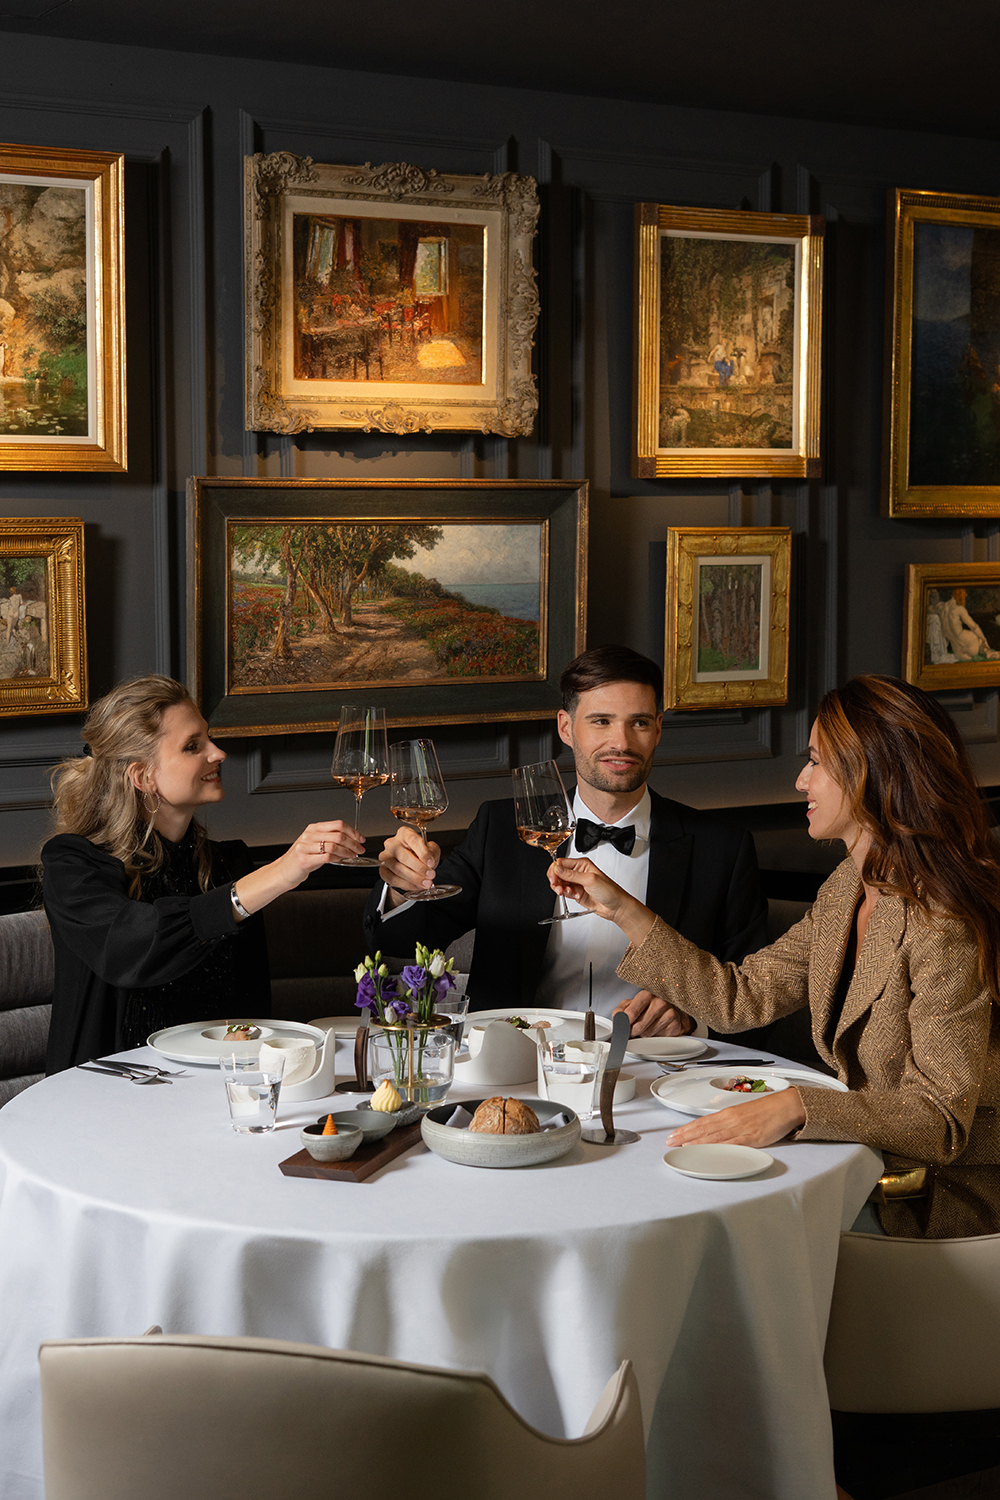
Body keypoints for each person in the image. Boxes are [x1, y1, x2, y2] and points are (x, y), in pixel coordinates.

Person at [547, 675, 1000, 1239]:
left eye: (817, 762)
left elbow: (938, 1116)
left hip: (932, 1196)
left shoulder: (943, 921)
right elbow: (742, 998)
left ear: (871, 774)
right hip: (865, 1163)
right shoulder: (848, 886)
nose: (801, 780)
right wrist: (623, 910)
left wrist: (795, 1106)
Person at [364, 646, 767, 1035]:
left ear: (658, 728)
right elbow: (401, 939)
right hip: (520, 1058)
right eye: (601, 721)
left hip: (653, 1064)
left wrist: (692, 1020)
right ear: (565, 728)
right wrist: (400, 888)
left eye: (639, 723)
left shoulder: (722, 850)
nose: (622, 742)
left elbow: (757, 1003)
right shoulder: (500, 828)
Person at [42, 674, 364, 1073]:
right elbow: (132, 948)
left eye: (208, 738)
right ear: (143, 776)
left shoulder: (228, 865)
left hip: (217, 1084)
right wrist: (280, 873)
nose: (219, 753)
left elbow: (251, 1012)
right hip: (105, 1090)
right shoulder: (73, 865)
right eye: (193, 746)